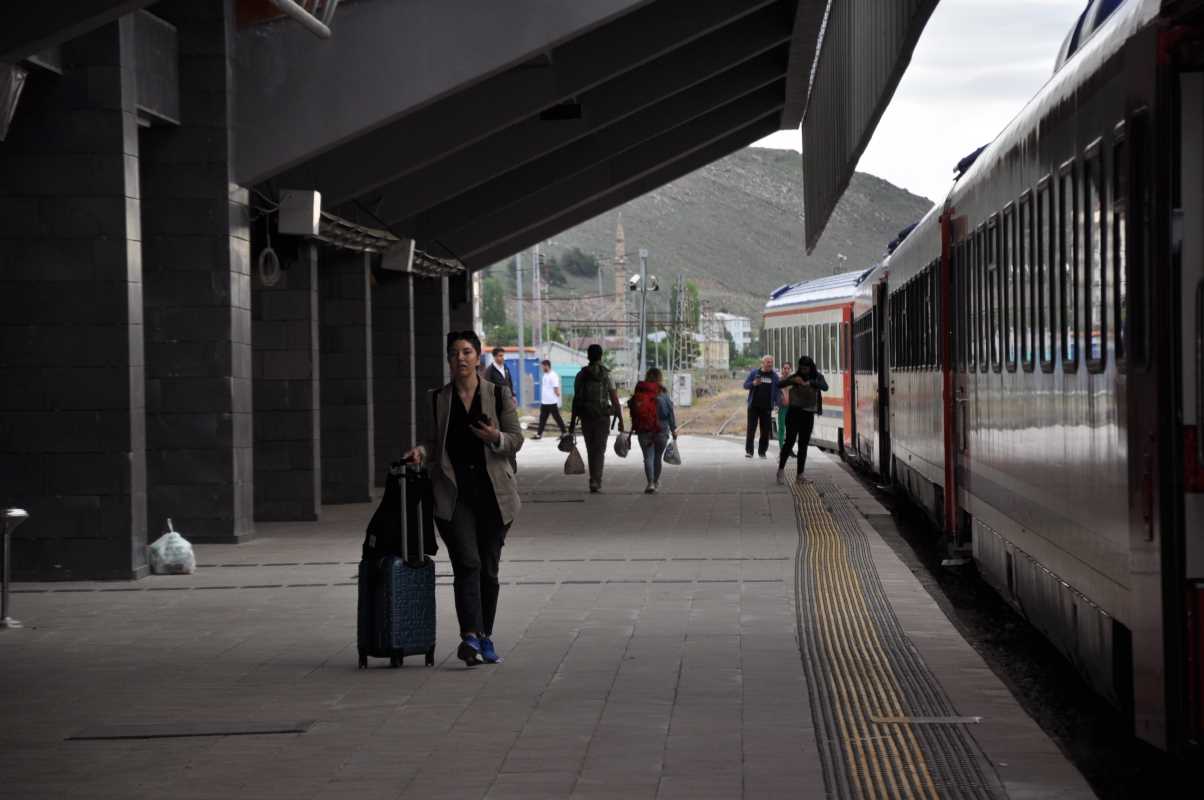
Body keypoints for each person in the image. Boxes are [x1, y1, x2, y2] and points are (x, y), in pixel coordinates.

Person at [404, 330, 524, 667]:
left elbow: (516, 439)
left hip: (494, 496)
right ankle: (470, 635)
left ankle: (485, 636)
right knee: (467, 563)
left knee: (488, 569)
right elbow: (433, 441)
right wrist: (421, 451)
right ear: (448, 359)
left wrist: (495, 436)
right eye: (455, 353)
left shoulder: (498, 395)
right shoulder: (437, 398)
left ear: (478, 356)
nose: (461, 358)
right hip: (453, 497)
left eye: (467, 352)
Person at [569, 344, 624, 493]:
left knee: (590, 448)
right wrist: (621, 421)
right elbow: (614, 399)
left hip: (586, 416)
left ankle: (593, 479)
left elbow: (576, 400)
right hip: (602, 417)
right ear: (601, 356)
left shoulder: (581, 375)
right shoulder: (607, 374)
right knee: (599, 450)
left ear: (588, 356)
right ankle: (595, 481)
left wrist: (572, 424)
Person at [776, 355, 829, 485]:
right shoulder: (796, 377)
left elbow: (825, 387)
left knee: (803, 445)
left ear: (811, 367)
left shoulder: (817, 377)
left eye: (806, 368)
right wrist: (794, 381)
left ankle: (800, 475)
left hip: (808, 415)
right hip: (793, 414)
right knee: (789, 442)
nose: (804, 370)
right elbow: (779, 384)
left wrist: (811, 382)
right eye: (802, 368)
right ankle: (781, 470)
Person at [628, 368, 677, 494]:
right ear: (660, 378)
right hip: (661, 430)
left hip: (644, 429)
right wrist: (673, 429)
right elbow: (670, 413)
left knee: (648, 457)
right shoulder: (663, 394)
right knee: (657, 458)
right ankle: (655, 481)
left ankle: (650, 483)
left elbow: (634, 412)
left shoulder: (640, 392)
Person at [742, 355, 780, 459]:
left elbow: (777, 392)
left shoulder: (774, 376)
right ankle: (749, 451)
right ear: (762, 363)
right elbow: (745, 385)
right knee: (751, 429)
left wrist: (777, 404)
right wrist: (753, 383)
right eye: (768, 362)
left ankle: (762, 452)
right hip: (753, 406)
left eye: (771, 362)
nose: (770, 364)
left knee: (765, 431)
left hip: (767, 407)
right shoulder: (755, 373)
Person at [534, 360, 566, 440]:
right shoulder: (545, 375)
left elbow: (556, 388)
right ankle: (539, 434)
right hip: (544, 402)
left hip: (552, 402)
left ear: (547, 366)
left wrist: (558, 398)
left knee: (557, 418)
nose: (542, 368)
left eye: (543, 366)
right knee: (542, 419)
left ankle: (565, 433)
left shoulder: (553, 375)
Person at [776, 362, 793, 454]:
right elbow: (775, 394)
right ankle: (782, 449)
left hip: (791, 408)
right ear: (782, 369)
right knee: (782, 428)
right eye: (784, 368)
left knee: (791, 430)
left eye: (788, 368)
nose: (786, 370)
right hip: (782, 408)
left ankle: (789, 449)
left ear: (791, 370)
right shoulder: (778, 380)